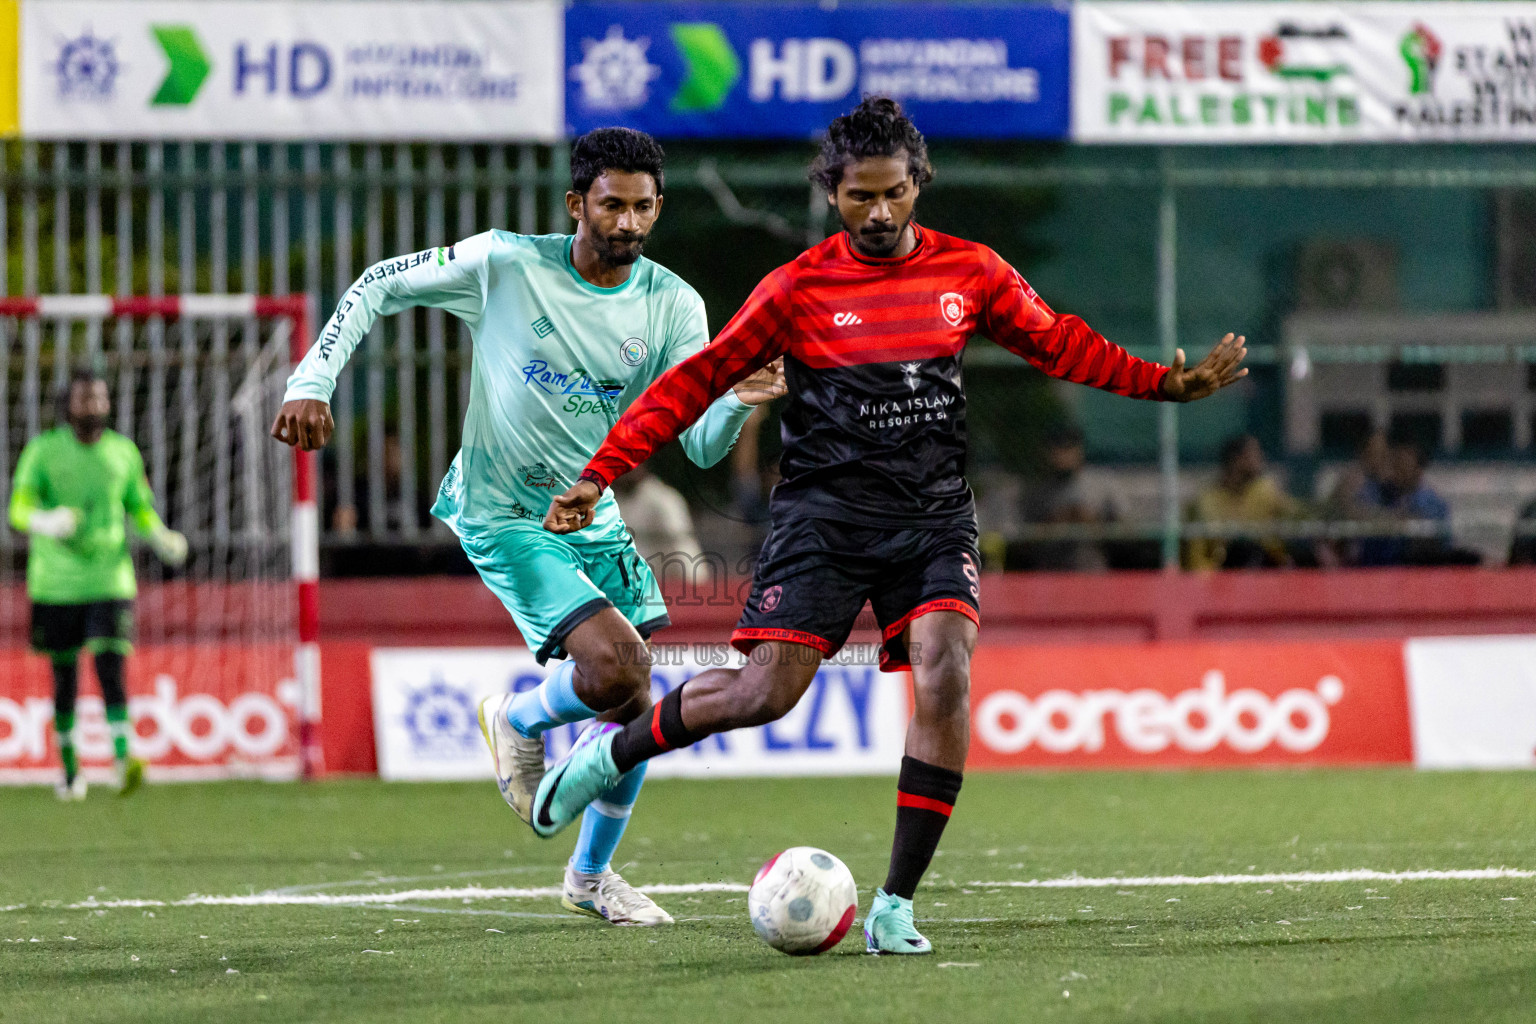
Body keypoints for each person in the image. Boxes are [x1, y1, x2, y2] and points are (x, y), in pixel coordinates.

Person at [534, 98, 1247, 954]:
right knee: (766, 692)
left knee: (946, 670)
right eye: (859, 197)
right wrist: (598, 473)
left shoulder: (971, 272)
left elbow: (1058, 342)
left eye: (895, 194)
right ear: (831, 193)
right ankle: (610, 756)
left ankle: (896, 904)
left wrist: (1164, 386)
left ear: (920, 185)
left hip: (932, 517)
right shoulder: (797, 287)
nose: (879, 213)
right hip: (824, 519)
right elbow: (694, 383)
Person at [270, 128, 785, 926]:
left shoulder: (674, 304)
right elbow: (377, 283)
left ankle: (589, 878)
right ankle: (515, 717)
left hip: (593, 511)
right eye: (611, 204)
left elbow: (699, 443)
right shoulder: (504, 263)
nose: (627, 222)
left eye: (643, 207)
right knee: (617, 666)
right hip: (504, 511)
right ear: (577, 203)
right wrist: (313, 378)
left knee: (632, 698)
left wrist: (737, 398)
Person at [7, 366, 188, 799]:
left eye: (101, 398)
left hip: (110, 577)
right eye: (86, 398)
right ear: (67, 404)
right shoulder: (43, 451)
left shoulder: (123, 453)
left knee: (110, 666)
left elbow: (138, 507)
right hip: (56, 583)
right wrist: (45, 521)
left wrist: (159, 534)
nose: (95, 406)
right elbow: (17, 509)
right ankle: (70, 771)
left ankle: (123, 761)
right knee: (64, 676)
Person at [1017, 423, 1124, 571]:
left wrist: (1093, 520)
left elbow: (1127, 530)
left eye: (1069, 448)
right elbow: (1023, 540)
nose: (1064, 455)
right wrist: (1056, 520)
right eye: (1058, 449)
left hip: (1093, 568)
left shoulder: (1103, 484)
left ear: (1079, 450)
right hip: (1050, 572)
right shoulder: (1037, 491)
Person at [1185, 434, 1301, 570]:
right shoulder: (1207, 500)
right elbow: (1197, 557)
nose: (1260, 459)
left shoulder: (1266, 491)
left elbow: (1300, 517)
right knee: (1243, 550)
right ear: (1236, 460)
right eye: (1254, 454)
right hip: (1225, 571)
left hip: (1266, 566)